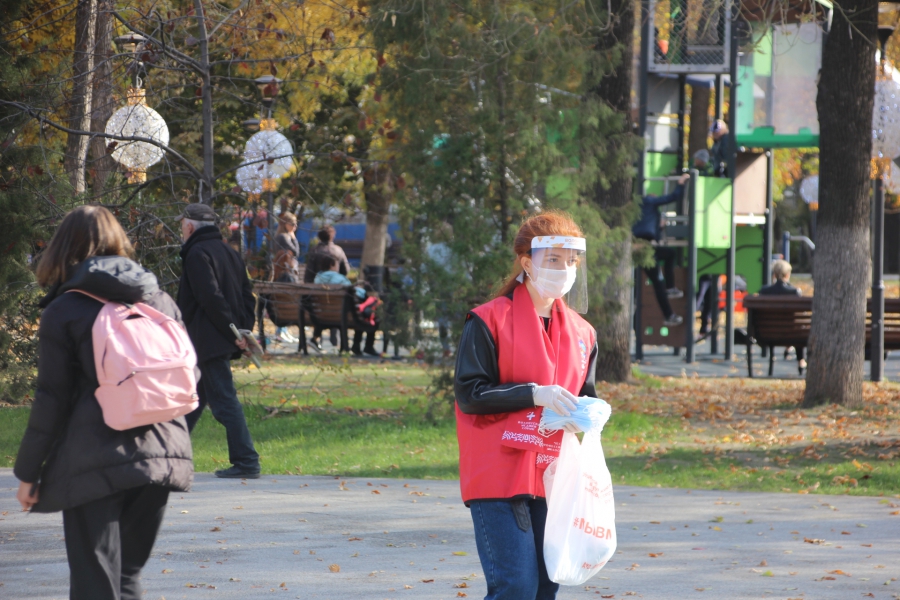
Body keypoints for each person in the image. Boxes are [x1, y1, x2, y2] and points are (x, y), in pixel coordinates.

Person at [14, 206, 193, 600]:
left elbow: (51, 399)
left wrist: (29, 472)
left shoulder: (65, 310)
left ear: (62, 248)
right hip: (162, 455)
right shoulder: (158, 300)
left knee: (96, 583)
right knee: (127, 577)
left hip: (92, 460)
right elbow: (189, 376)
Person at [454, 211, 599, 600]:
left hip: (554, 474)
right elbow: (470, 394)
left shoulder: (584, 334)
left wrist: (589, 414)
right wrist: (534, 393)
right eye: (553, 259)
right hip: (499, 471)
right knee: (516, 587)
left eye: (570, 261)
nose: (564, 269)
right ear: (526, 262)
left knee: (545, 587)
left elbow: (586, 392)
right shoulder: (488, 320)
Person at [176, 203, 261, 479]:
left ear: (189, 227)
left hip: (206, 340)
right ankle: (169, 454)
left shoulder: (197, 253)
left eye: (182, 226)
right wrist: (242, 331)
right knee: (191, 400)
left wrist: (234, 332)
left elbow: (210, 298)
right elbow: (248, 297)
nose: (181, 230)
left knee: (224, 401)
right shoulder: (230, 253)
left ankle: (246, 460)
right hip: (218, 337)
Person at [633, 173, 690, 327]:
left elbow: (645, 227)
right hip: (645, 248)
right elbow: (672, 197)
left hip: (644, 247)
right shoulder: (650, 201)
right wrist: (681, 183)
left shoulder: (640, 213)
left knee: (668, 255)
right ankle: (668, 312)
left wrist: (660, 225)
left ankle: (670, 292)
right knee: (658, 281)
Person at [758, 259, 806, 372]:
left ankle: (789, 347)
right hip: (791, 333)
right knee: (798, 328)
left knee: (791, 327)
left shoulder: (764, 291)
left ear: (774, 274)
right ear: (788, 274)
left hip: (767, 332)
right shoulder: (794, 292)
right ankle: (801, 361)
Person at [273, 212, 301, 344]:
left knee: (284, 301)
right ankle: (281, 331)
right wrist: (294, 238)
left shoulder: (282, 236)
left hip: (284, 273)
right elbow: (296, 252)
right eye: (292, 223)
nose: (295, 226)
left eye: (296, 223)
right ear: (285, 224)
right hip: (284, 273)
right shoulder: (284, 237)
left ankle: (283, 330)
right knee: (285, 300)